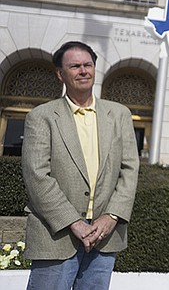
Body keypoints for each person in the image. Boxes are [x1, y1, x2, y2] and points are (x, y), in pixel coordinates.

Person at [22, 41, 140, 290]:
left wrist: (111, 216)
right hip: (56, 235)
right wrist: (74, 222)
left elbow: (130, 169)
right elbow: (36, 176)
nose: (83, 71)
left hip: (105, 235)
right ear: (60, 74)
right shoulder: (42, 116)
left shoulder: (119, 114)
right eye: (75, 66)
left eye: (88, 65)